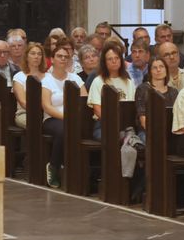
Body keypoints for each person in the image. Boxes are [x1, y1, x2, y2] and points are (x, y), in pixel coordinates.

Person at [40, 38, 87, 189]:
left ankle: (76, 169)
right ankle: (54, 166)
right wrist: (68, 117)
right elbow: (47, 106)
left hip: (74, 118)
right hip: (52, 119)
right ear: (52, 59)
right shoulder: (46, 80)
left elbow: (84, 99)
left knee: (82, 129)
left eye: (66, 57)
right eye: (59, 56)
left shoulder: (75, 78)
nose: (63, 59)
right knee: (64, 129)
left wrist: (76, 116)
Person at [87, 43, 135, 139]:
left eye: (117, 58)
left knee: (131, 138)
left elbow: (132, 107)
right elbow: (97, 109)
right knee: (114, 137)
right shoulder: (98, 81)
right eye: (110, 59)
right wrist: (113, 123)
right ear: (104, 62)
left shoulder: (128, 82)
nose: (114, 61)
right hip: (103, 125)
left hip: (125, 125)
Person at [12, 42, 47, 128]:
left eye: (39, 54)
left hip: (47, 113)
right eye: (33, 53)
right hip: (25, 113)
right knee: (34, 123)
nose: (36, 56)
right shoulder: (19, 76)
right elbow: (23, 102)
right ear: (26, 57)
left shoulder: (49, 76)